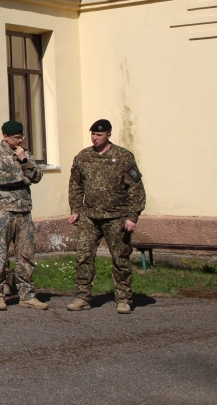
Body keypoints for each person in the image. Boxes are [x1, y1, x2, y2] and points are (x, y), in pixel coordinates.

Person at [66, 119, 147, 315]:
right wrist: (76, 209)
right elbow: (75, 185)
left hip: (116, 217)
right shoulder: (83, 157)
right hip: (89, 217)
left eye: (99, 135)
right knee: (83, 256)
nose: (95, 138)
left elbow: (136, 188)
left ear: (108, 135)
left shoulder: (123, 156)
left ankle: (123, 299)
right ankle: (82, 297)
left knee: (120, 259)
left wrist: (132, 216)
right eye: (92, 134)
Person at [0, 120, 47, 311]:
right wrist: (23, 178)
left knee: (26, 255)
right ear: (5, 136)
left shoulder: (25, 153)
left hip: (24, 211)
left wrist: (24, 161)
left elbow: (37, 176)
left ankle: (27, 295)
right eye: (15, 137)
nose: (19, 140)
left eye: (21, 136)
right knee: (0, 256)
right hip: (3, 212)